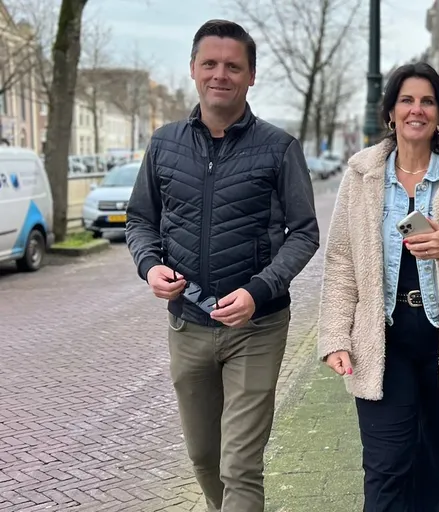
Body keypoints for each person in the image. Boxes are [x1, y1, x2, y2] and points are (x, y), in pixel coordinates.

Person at [125, 19, 319, 512]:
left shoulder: (279, 148)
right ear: (193, 69)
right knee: (204, 456)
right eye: (209, 64)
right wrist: (150, 266)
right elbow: (140, 219)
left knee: (240, 466)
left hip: (258, 325)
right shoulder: (165, 144)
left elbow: (306, 233)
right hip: (187, 324)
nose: (220, 74)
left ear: (251, 76)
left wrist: (259, 289)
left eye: (233, 66)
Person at [316, 62, 439, 511]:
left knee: (438, 469)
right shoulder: (361, 176)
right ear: (390, 112)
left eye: (427, 101)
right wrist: (334, 338)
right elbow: (341, 261)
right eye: (406, 100)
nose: (416, 110)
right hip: (382, 343)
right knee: (386, 469)